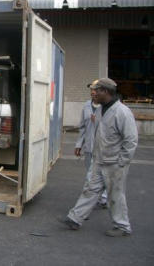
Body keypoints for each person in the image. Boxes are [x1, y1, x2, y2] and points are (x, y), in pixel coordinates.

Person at [58, 78, 138, 237]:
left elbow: (131, 140)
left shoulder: (122, 113)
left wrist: (122, 161)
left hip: (115, 163)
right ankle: (75, 218)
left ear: (106, 92)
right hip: (100, 160)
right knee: (90, 189)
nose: (92, 93)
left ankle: (122, 227)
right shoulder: (101, 109)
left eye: (96, 90)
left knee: (115, 194)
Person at [74, 79, 107, 209]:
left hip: (101, 148)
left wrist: (99, 121)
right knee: (90, 173)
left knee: (92, 176)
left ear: (102, 91)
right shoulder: (87, 105)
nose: (93, 92)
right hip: (89, 146)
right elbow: (83, 127)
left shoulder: (107, 108)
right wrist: (78, 144)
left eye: (96, 90)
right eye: (91, 90)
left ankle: (84, 206)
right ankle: (101, 199)